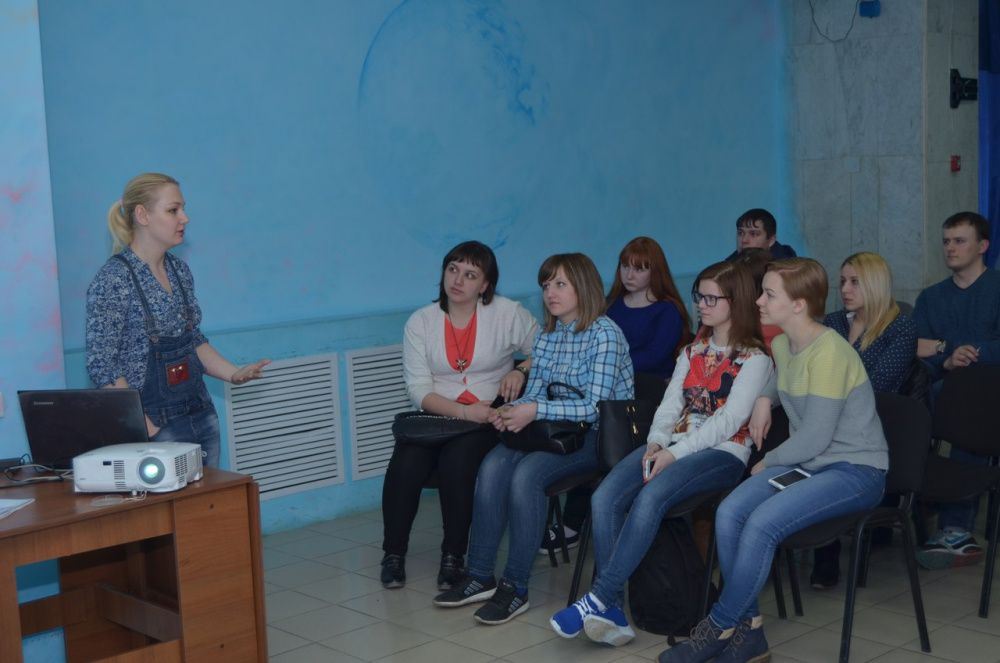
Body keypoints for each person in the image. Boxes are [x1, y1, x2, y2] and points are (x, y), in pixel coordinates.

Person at [658, 258, 887, 663]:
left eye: (768, 294)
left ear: (798, 304)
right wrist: (766, 397)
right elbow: (783, 379)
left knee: (761, 523)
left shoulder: (830, 352)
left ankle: (718, 625)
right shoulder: (783, 344)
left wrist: (769, 461)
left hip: (854, 469)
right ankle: (750, 635)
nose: (758, 301)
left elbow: (816, 437)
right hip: (810, 465)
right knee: (730, 511)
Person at [549, 261, 772, 647]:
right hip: (672, 446)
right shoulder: (693, 350)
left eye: (711, 298)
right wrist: (655, 442)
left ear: (735, 302)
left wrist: (674, 453)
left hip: (722, 453)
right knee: (605, 497)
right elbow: (670, 406)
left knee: (650, 497)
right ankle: (611, 610)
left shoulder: (755, 359)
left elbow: (728, 421)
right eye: (699, 296)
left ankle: (600, 597)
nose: (701, 304)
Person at [433, 253, 634, 626]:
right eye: (545, 286)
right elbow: (536, 391)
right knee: (492, 467)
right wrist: (508, 411)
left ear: (583, 287)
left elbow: (594, 407)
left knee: (526, 477)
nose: (549, 293)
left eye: (560, 284)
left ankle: (515, 587)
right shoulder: (547, 334)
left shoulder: (605, 334)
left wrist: (535, 410)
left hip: (597, 437)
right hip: (555, 432)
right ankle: (480, 574)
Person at [380, 241, 539, 591]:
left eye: (470, 275)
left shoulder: (507, 313)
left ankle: (453, 557)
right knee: (405, 462)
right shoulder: (421, 321)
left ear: (485, 284)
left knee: (458, 461)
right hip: (439, 417)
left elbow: (546, 350)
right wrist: (465, 411)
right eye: (453, 269)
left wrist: (521, 370)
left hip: (487, 419)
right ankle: (393, 553)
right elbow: (418, 390)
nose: (458, 280)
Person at [86, 173, 270, 469]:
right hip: (152, 426)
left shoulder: (180, 271)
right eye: (173, 210)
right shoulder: (114, 279)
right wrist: (146, 428)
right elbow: (102, 365)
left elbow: (192, 340)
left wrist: (235, 374)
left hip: (200, 414)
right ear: (142, 215)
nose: (185, 218)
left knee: (210, 499)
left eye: (183, 209)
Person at [541, 237, 692, 555]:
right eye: (625, 266)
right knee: (585, 434)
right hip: (602, 395)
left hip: (645, 405)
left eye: (640, 268)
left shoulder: (668, 311)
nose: (630, 274)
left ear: (655, 271)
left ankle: (580, 523)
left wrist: (608, 358)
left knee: (601, 441)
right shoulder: (610, 304)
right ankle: (575, 523)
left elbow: (655, 356)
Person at [809, 252, 918, 588]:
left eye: (854, 282)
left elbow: (876, 384)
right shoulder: (833, 323)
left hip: (874, 430)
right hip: (829, 424)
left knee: (824, 464)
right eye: (842, 281)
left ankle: (826, 555)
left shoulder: (900, 327)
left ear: (875, 284)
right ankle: (823, 549)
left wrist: (827, 387)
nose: (844, 289)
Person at [912, 212, 1000, 569]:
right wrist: (949, 358)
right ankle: (897, 508)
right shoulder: (931, 297)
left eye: (959, 241)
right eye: (946, 241)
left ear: (982, 246)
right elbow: (918, 351)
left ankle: (955, 528)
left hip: (988, 391)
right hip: (943, 386)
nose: (950, 247)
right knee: (903, 405)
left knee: (968, 398)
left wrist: (972, 352)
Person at [725, 208, 797, 261]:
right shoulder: (729, 269)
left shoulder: (789, 273)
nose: (744, 240)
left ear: (771, 240)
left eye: (753, 234)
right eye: (740, 233)